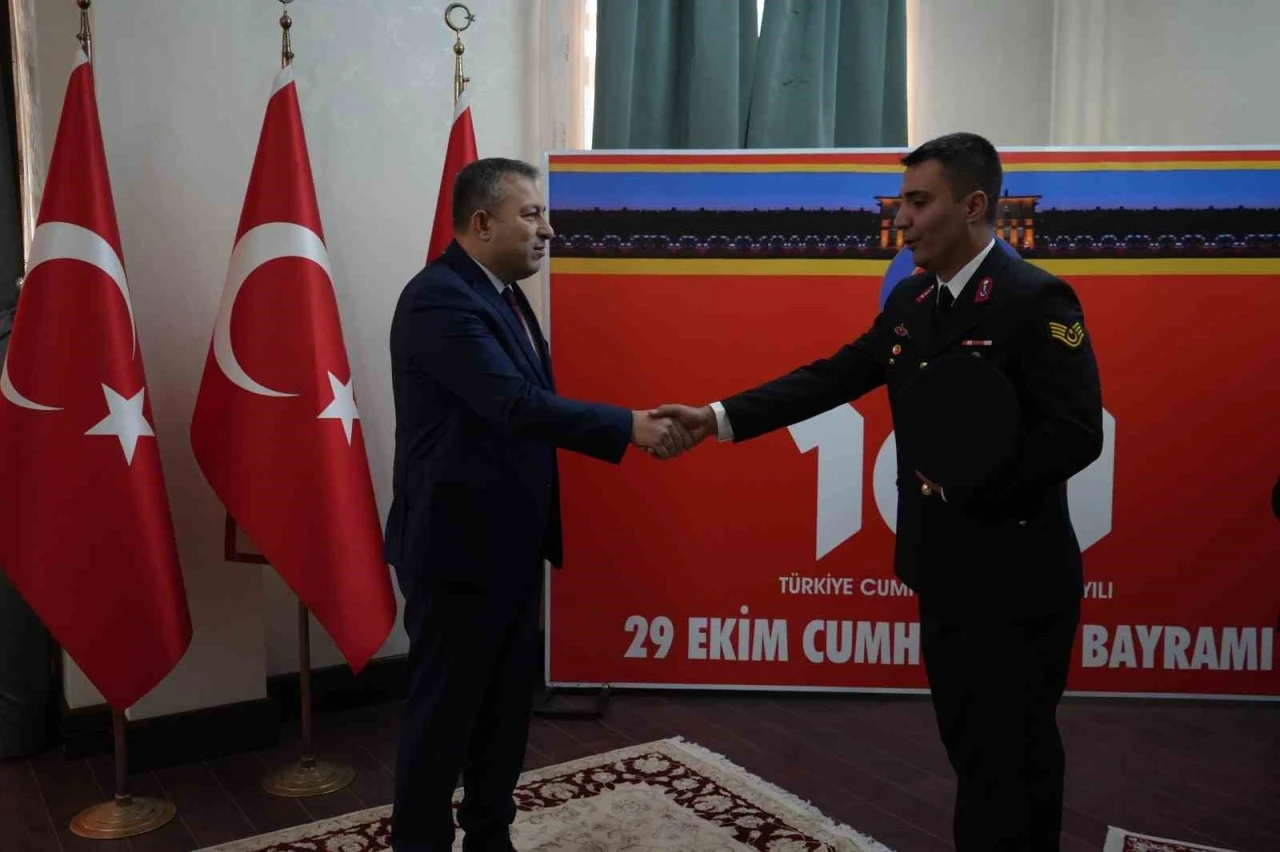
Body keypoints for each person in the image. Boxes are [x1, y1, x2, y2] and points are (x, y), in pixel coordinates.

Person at [657, 132, 1103, 852]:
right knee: (970, 746)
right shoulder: (911, 299)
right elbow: (832, 377)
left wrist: (968, 486)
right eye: (902, 203)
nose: (901, 219)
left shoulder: (1035, 298)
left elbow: (1076, 435)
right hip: (944, 568)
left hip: (1018, 578)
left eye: (918, 203)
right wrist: (716, 418)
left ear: (974, 205)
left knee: (1014, 754)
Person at [383, 157, 690, 852]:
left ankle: (489, 837)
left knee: (503, 713)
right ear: (482, 222)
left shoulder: (506, 295)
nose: (548, 229)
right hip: (456, 552)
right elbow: (514, 405)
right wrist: (629, 426)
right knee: (443, 722)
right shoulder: (438, 299)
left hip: (513, 546)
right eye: (531, 215)